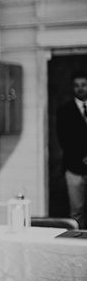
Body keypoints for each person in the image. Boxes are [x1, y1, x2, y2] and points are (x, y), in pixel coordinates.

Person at [56, 70, 87, 229]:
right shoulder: (65, 111)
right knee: (77, 210)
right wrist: (83, 156)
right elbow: (64, 139)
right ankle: (79, 239)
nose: (80, 88)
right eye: (76, 85)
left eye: (83, 85)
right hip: (74, 167)